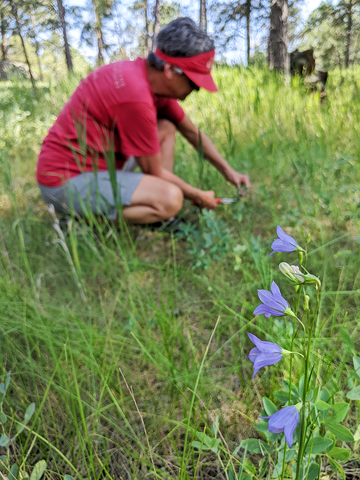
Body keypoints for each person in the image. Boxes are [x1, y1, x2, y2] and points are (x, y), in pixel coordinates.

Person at [36, 17, 250, 229]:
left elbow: (193, 133)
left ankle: (153, 205)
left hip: (102, 165)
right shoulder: (135, 96)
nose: (197, 90)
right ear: (169, 70)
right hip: (65, 181)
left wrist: (229, 172)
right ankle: (85, 221)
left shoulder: (149, 81)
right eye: (194, 83)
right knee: (172, 198)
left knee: (166, 127)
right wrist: (198, 195)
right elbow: (155, 171)